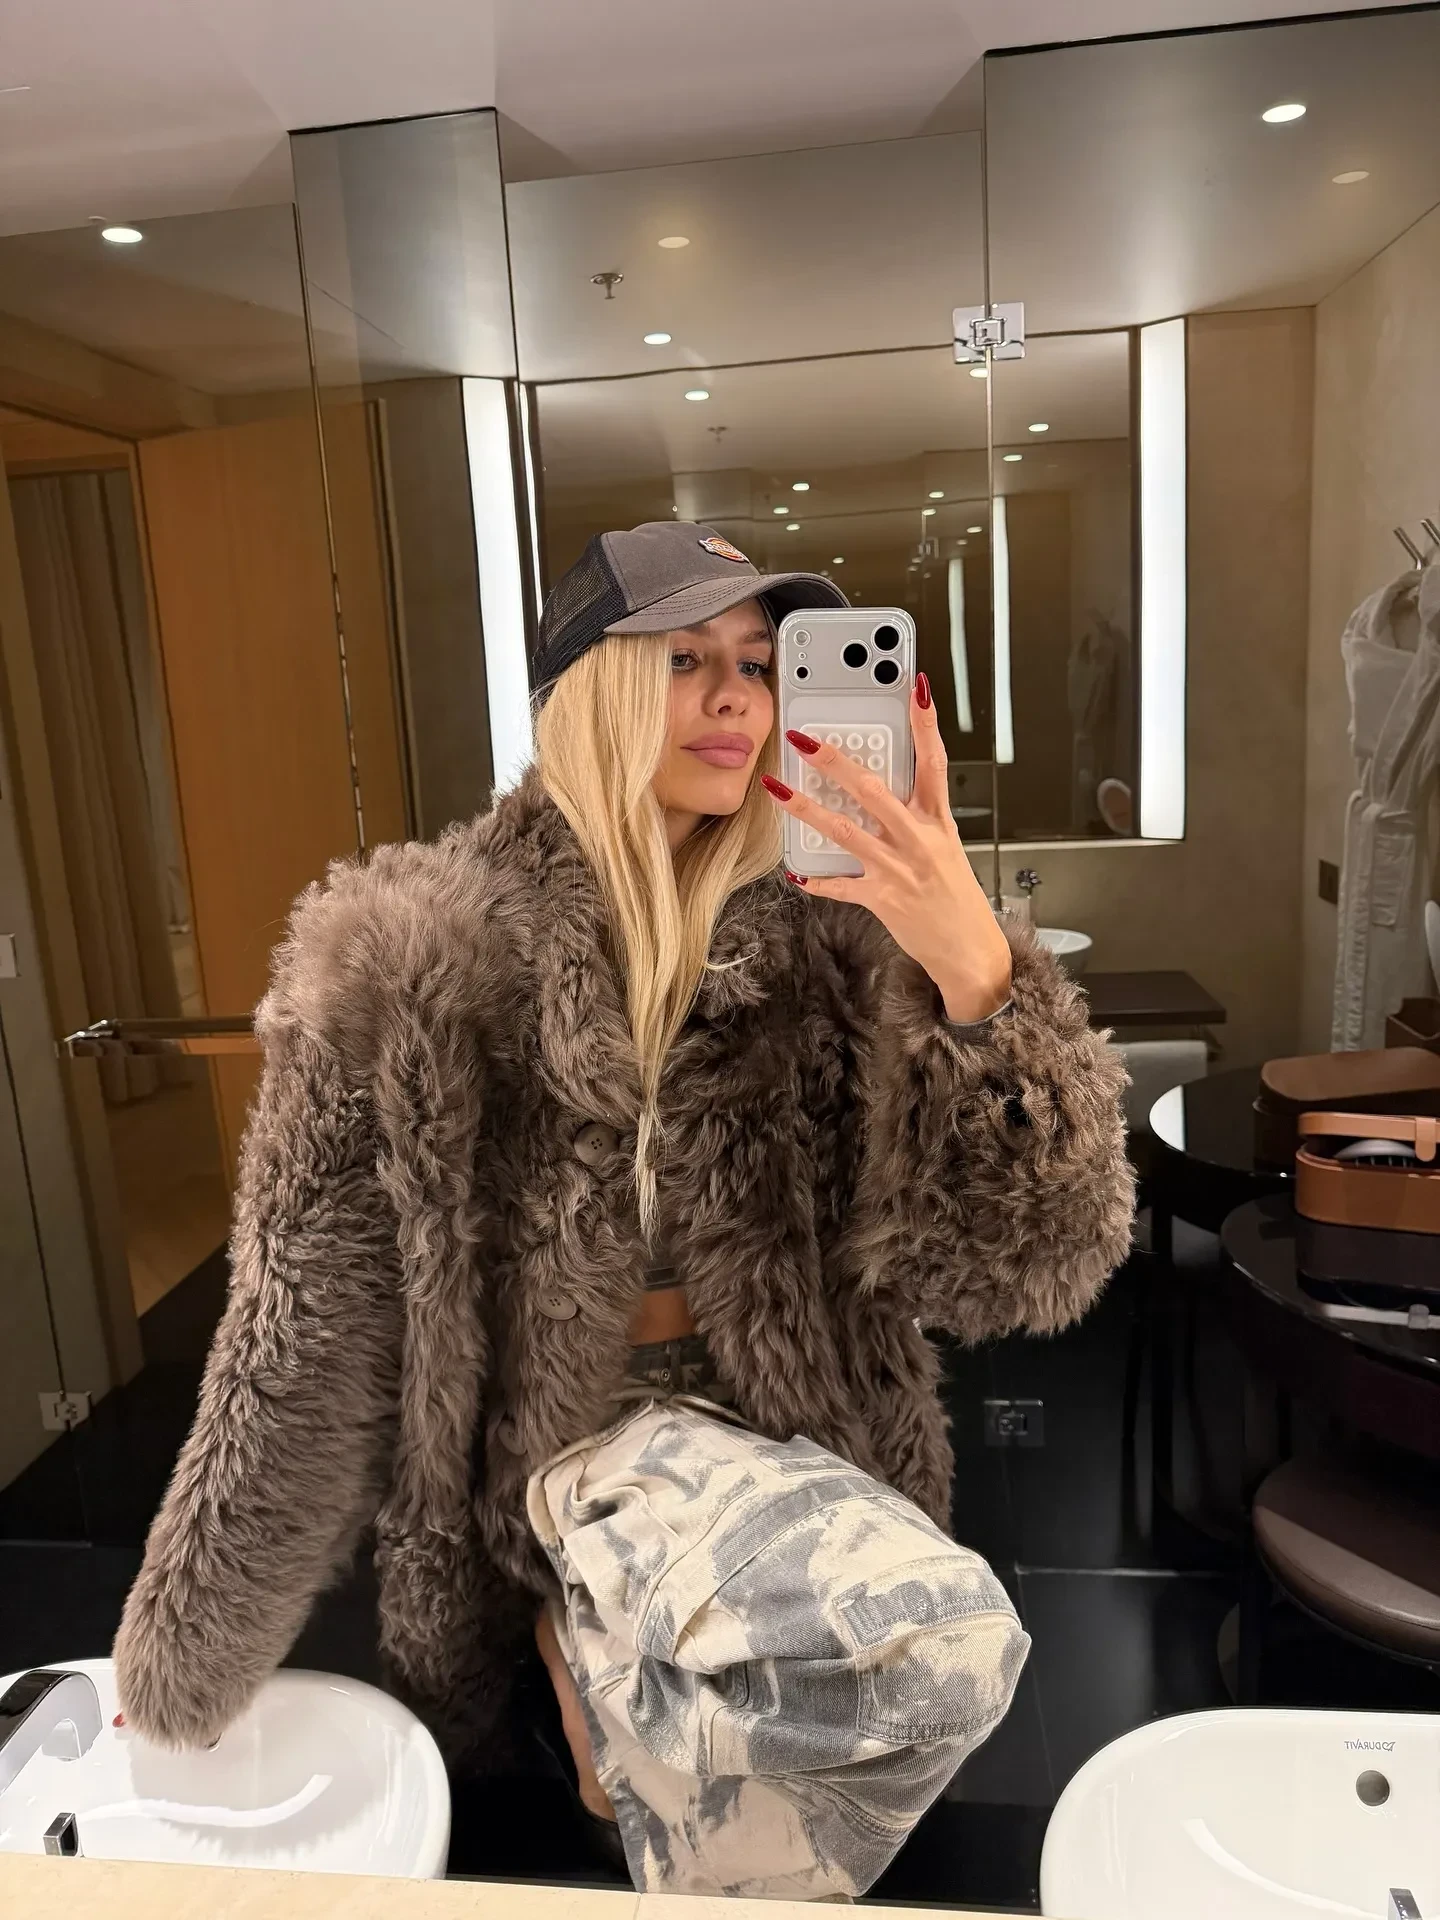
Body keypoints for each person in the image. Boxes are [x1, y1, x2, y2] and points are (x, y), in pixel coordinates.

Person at [114, 521, 1133, 1899]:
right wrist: (185, 1659)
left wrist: (975, 976)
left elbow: (1029, 1269)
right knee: (635, 1835)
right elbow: (301, 1337)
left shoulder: (839, 941)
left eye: (760, 664)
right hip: (552, 1497)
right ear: (585, 691)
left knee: (785, 1837)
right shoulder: (415, 962)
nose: (736, 700)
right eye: (684, 660)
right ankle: (584, 1656)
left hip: (803, 1488)